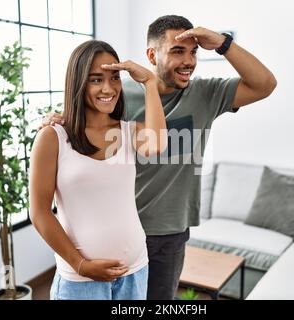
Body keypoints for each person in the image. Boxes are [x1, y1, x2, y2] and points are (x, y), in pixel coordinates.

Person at [41, 15, 277, 300]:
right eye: (178, 51)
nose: (188, 61)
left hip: (169, 232)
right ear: (152, 55)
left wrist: (222, 44)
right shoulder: (118, 95)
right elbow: (84, 131)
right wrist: (61, 119)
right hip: (120, 230)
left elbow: (265, 84)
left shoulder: (206, 94)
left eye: (194, 52)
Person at [29, 40, 167, 300]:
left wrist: (149, 82)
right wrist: (80, 264)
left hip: (135, 271)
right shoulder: (53, 137)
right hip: (81, 282)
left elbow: (158, 144)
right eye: (96, 79)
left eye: (114, 77)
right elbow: (38, 212)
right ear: (78, 83)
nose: (108, 88)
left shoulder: (129, 131)